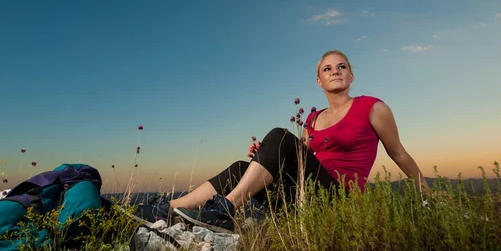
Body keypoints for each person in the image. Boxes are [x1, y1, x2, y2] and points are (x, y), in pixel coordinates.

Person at [132, 50, 430, 233]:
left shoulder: (373, 108)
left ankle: (226, 210)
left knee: (279, 135)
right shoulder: (312, 119)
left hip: (341, 202)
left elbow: (399, 153)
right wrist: (264, 157)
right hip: (306, 200)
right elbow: (300, 160)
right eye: (327, 69)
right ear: (319, 81)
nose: (335, 72)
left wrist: (428, 194)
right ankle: (167, 210)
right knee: (242, 164)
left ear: (351, 75)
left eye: (341, 67)